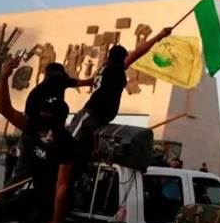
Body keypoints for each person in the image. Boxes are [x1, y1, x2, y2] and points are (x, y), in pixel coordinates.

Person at [0, 57, 77, 223]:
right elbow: (5, 109)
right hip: (37, 192)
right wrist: (4, 77)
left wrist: (56, 221)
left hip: (54, 202)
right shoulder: (32, 126)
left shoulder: (65, 141)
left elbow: (62, 185)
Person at [68, 28, 172, 160]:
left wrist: (75, 83)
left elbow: (92, 81)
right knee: (69, 146)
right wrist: (159, 36)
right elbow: (137, 53)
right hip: (92, 113)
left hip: (98, 116)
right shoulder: (114, 68)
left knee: (84, 151)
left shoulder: (106, 68)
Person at [25, 62, 93, 119]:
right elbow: (84, 82)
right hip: (43, 121)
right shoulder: (59, 81)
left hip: (40, 120)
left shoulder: (37, 90)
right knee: (63, 107)